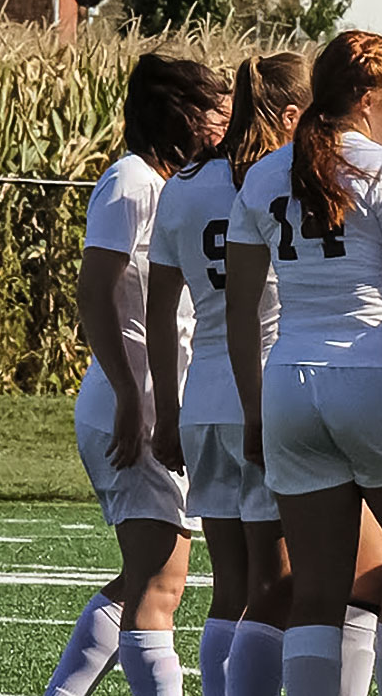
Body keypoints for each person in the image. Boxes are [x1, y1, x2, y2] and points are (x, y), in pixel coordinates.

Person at [223, 30, 382, 696]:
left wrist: (252, 411)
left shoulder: (265, 172)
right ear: (366, 97)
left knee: (317, 597)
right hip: (379, 381)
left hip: (290, 391)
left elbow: (240, 309)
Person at [46, 53, 227, 696]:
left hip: (162, 400)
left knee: (139, 580)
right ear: (178, 112)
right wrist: (128, 393)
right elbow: (94, 293)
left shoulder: (180, 184)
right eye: (214, 105)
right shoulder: (132, 180)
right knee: (160, 586)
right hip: (135, 406)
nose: (225, 116)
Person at [146, 52, 318, 696]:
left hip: (204, 398)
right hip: (267, 393)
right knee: (278, 586)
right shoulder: (280, 180)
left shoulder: (183, 185)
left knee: (230, 586)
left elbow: (160, 309)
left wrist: (168, 410)